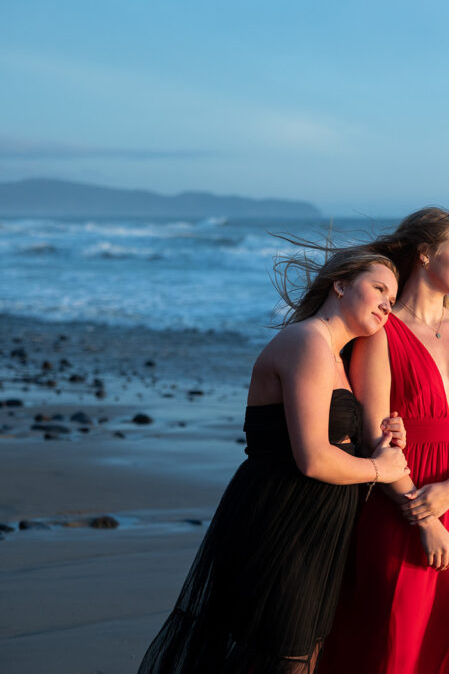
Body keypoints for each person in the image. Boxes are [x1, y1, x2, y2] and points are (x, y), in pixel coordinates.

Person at [139, 245, 411, 674]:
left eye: (392, 300)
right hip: (283, 518)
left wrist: (383, 440)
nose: (385, 305)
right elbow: (314, 459)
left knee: (294, 656)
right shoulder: (307, 342)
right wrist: (382, 470)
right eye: (378, 289)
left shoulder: (335, 354)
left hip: (316, 523)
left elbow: (334, 442)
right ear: (340, 285)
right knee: (283, 659)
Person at [320, 208, 449, 673]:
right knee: (396, 652)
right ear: (425, 254)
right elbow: (373, 436)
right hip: (400, 505)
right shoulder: (383, 332)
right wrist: (423, 518)